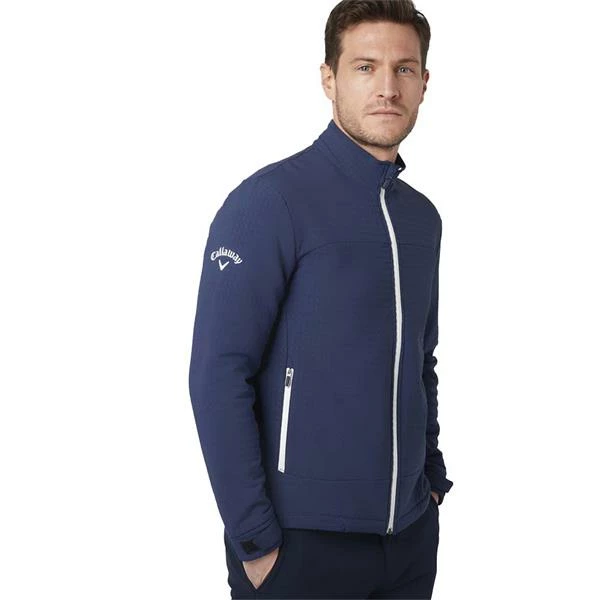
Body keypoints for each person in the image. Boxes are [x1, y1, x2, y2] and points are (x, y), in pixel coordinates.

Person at [188, 1, 454, 597]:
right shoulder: (270, 203)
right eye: (364, 67)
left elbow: (421, 359)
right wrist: (255, 539)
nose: (387, 87)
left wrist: (432, 479)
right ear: (329, 79)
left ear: (424, 82)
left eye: (404, 69)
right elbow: (217, 374)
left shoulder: (421, 219)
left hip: (409, 539)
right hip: (299, 544)